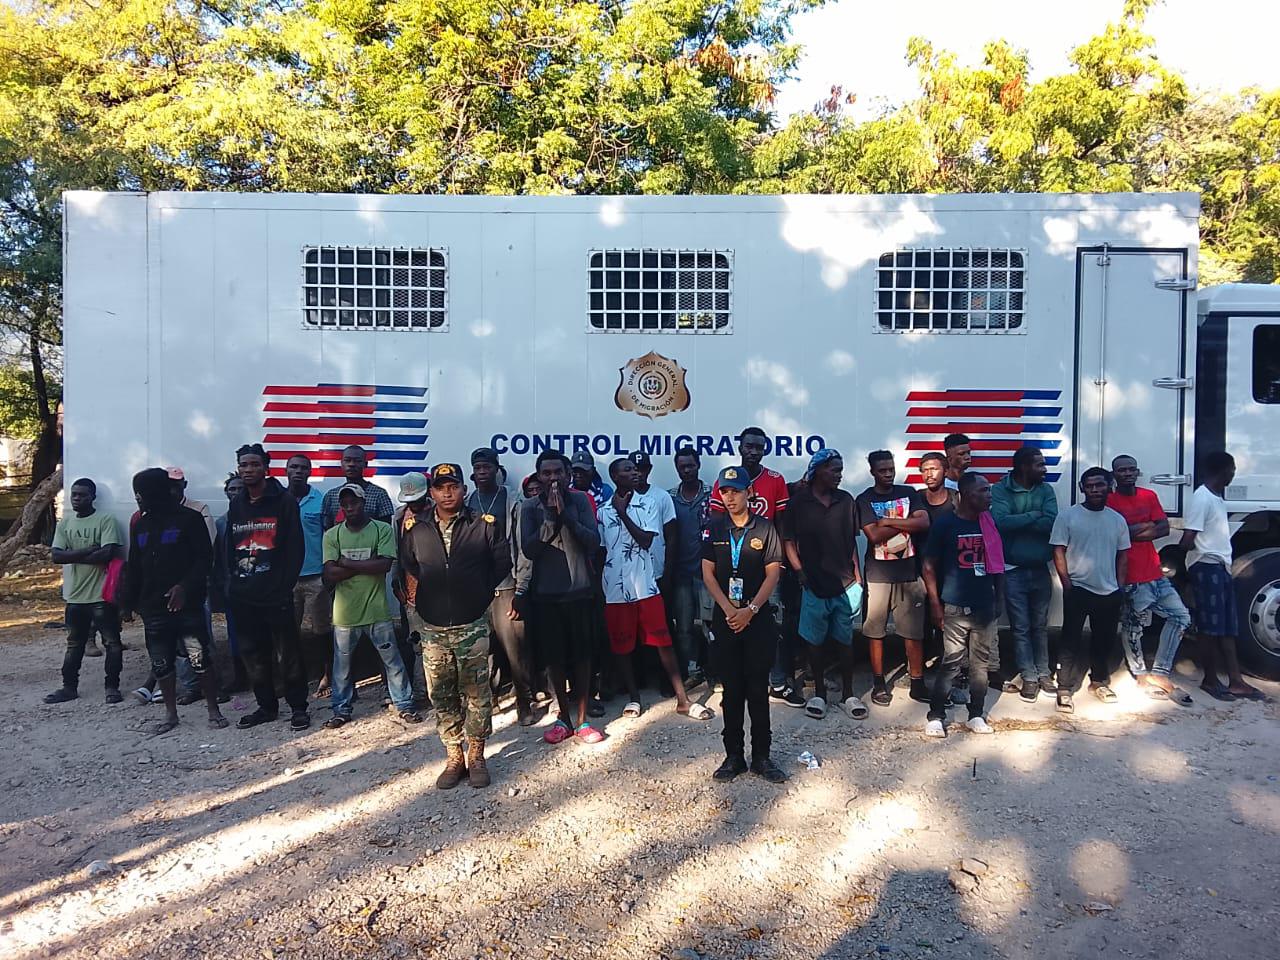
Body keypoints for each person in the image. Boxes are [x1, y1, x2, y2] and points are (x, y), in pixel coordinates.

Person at [401, 463, 511, 789]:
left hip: (472, 623)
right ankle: (454, 756)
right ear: (431, 492)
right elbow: (410, 565)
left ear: (464, 489)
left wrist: (478, 592)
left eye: (453, 486)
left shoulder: (483, 524)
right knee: (441, 693)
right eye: (440, 487)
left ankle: (476, 755)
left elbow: (501, 563)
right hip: (433, 625)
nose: (447, 493)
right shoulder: (417, 527)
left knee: (477, 691)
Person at [600, 458, 713, 722]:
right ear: (615, 477)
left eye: (635, 468)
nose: (634, 473)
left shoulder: (648, 503)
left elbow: (645, 540)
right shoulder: (603, 511)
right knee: (623, 644)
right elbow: (603, 550)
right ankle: (634, 697)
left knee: (662, 640)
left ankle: (683, 700)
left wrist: (623, 512)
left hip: (645, 584)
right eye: (628, 470)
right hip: (616, 588)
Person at [121, 468, 226, 733]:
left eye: (141, 493)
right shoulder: (141, 525)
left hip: (188, 605)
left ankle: (213, 709)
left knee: (198, 657)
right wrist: (127, 602)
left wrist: (184, 587)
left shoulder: (190, 519)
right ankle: (170, 714)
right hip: (153, 606)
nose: (138, 498)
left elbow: (205, 559)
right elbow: (134, 565)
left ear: (157, 492)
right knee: (161, 661)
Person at [702, 465, 788, 783]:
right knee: (732, 690)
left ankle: (762, 757)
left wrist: (750, 610)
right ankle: (734, 756)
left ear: (749, 493)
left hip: (758, 618)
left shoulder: (764, 528)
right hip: (726, 619)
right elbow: (707, 573)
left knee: (757, 689)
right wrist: (729, 609)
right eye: (724, 491)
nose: (730, 497)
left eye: (736, 491)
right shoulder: (714, 527)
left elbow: (773, 573)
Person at [519, 450, 604, 744]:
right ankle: (563, 718)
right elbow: (530, 549)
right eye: (547, 473)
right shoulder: (530, 507)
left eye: (558, 472)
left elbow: (593, 542)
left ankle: (582, 721)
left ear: (568, 475)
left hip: (580, 593)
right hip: (547, 596)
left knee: (583, 657)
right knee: (554, 659)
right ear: (539, 476)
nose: (553, 478)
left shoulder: (580, 500)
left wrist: (567, 516)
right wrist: (550, 519)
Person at [709, 427, 799, 706]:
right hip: (733, 569)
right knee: (730, 623)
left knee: (772, 625)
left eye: (759, 447)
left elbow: (781, 523)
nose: (753, 452)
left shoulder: (775, 479)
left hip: (767, 565)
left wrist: (781, 562)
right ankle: (733, 683)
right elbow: (716, 524)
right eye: (749, 446)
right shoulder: (725, 480)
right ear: (740, 447)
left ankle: (777, 682)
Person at [225, 444, 311, 730]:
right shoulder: (237, 504)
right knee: (253, 654)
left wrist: (283, 586)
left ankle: (298, 707)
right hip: (244, 594)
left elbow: (295, 548)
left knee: (288, 653)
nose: (248, 470)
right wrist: (233, 583)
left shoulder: (284, 501)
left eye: (254, 464)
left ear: (265, 468)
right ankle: (266, 707)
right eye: (243, 465)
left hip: (275, 594)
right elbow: (229, 547)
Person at [321, 483, 421, 727]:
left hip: (377, 611)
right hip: (344, 614)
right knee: (342, 668)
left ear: (363, 503)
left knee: (392, 662)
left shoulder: (381, 529)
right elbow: (330, 574)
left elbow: (384, 566)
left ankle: (404, 705)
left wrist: (346, 563)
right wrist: (367, 564)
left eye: (354, 502)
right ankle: (341, 710)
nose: (350, 508)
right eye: (345, 504)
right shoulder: (332, 535)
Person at [921, 472, 1005, 738]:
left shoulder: (989, 522)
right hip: (955, 605)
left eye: (989, 490)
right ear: (967, 495)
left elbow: (998, 565)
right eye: (984, 491)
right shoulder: (946, 524)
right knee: (952, 662)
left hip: (984, 605)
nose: (989, 495)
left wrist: (999, 598)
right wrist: (935, 603)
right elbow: (928, 565)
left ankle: (976, 714)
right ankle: (936, 716)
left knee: (980, 664)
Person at [784, 449, 866, 719]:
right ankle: (818, 693)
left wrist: (857, 576)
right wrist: (799, 572)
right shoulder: (798, 503)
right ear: (818, 470)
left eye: (840, 470)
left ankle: (848, 695)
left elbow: (851, 541)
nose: (839, 475)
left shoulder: (846, 500)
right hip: (814, 585)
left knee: (845, 641)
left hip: (845, 584)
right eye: (834, 470)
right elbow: (788, 541)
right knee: (814, 642)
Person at [1108, 455, 1194, 705]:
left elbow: (1164, 528)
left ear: (1137, 472)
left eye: (1131, 469)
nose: (1127, 474)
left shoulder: (1148, 496)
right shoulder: (1110, 501)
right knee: (1133, 627)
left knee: (1181, 617)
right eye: (1121, 470)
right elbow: (1116, 535)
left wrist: (1132, 531)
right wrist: (1145, 527)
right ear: (1114, 475)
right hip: (1132, 576)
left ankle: (1160, 672)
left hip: (1156, 574)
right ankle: (1141, 675)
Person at [1180, 452, 1263, 702]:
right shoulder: (1202, 497)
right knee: (1210, 628)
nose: (1233, 474)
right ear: (1225, 470)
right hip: (1207, 567)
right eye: (1232, 469)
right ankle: (1210, 680)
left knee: (1227, 627)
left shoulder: (1215, 497)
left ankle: (1236, 681)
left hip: (1220, 567)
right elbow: (1188, 538)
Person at [1049, 467, 1130, 714]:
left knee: (1104, 640)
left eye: (1099, 485)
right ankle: (1064, 689)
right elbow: (1058, 550)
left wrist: (1119, 587)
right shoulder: (1068, 516)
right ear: (1082, 488)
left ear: (1109, 487)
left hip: (1109, 591)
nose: (1094, 490)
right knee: (1070, 640)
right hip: (1078, 588)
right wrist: (1067, 583)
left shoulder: (1117, 520)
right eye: (1089, 486)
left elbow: (1123, 556)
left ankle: (1099, 682)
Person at [466, 447, 535, 726]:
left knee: (515, 648)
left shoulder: (512, 500)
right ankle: (489, 699)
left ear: (497, 469)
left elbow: (522, 547)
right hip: (477, 586)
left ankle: (524, 702)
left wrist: (521, 587)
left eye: (487, 467)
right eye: (478, 468)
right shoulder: (468, 501)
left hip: (507, 584)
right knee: (482, 649)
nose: (482, 472)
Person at [855, 450, 929, 706]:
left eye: (891, 469)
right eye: (882, 470)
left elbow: (923, 523)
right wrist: (905, 522)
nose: (888, 474)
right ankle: (878, 683)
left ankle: (917, 682)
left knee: (913, 632)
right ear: (872, 472)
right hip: (878, 575)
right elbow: (873, 536)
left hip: (909, 573)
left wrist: (886, 521)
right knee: (875, 632)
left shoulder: (908, 493)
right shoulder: (864, 499)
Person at [43, 478, 125, 704]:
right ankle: (69, 687)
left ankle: (112, 687)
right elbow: (56, 556)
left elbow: (107, 553)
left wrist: (73, 555)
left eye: (82, 495)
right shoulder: (65, 523)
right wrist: (89, 550)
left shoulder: (106, 520)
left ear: (93, 497)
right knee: (74, 645)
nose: (77, 499)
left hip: (102, 596)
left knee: (112, 643)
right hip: (75, 597)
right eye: (74, 494)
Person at [990, 445, 1059, 702]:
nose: (1044, 469)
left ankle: (1044, 673)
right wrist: (1033, 515)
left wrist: (1020, 520)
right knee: (1020, 627)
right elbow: (1000, 522)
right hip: (1013, 570)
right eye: (1039, 465)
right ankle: (1028, 676)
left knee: (1039, 626)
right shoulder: (1000, 489)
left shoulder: (1046, 489)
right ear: (1023, 467)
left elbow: (1051, 522)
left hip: (1040, 568)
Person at [668, 447, 714, 685]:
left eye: (691, 465)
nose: (686, 470)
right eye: (682, 467)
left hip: (709, 574)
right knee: (684, 628)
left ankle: (716, 671)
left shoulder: (712, 494)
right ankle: (693, 671)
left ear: (699, 465)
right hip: (681, 574)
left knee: (712, 626)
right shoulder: (670, 498)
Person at [286, 454, 332, 683]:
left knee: (321, 630)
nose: (298, 471)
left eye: (303, 468)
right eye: (294, 467)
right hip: (286, 578)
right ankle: (292, 676)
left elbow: (328, 536)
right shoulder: (278, 500)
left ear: (310, 472)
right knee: (287, 631)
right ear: (286, 470)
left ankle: (327, 675)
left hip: (316, 576)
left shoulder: (320, 500)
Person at [391, 471, 433, 709]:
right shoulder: (399, 517)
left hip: (439, 589)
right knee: (417, 645)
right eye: (410, 500)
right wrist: (396, 581)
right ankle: (421, 692)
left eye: (417, 498)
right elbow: (396, 553)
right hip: (411, 592)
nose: (413, 504)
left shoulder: (438, 512)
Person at [626, 450, 677, 582]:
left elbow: (671, 537)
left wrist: (668, 573)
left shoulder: (662, 496)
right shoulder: (621, 498)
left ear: (649, 469)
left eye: (643, 469)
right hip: (628, 572)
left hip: (657, 571)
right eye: (634, 469)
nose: (639, 473)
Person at [321, 445, 395, 529]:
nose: (351, 464)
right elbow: (327, 528)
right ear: (341, 463)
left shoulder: (379, 494)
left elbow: (385, 529)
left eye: (357, 461)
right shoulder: (331, 495)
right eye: (347, 460)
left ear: (365, 464)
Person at [167, 466, 217, 544]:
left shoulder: (200, 508)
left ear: (185, 484)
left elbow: (208, 540)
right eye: (168, 486)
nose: (172, 491)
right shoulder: (156, 510)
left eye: (176, 485)